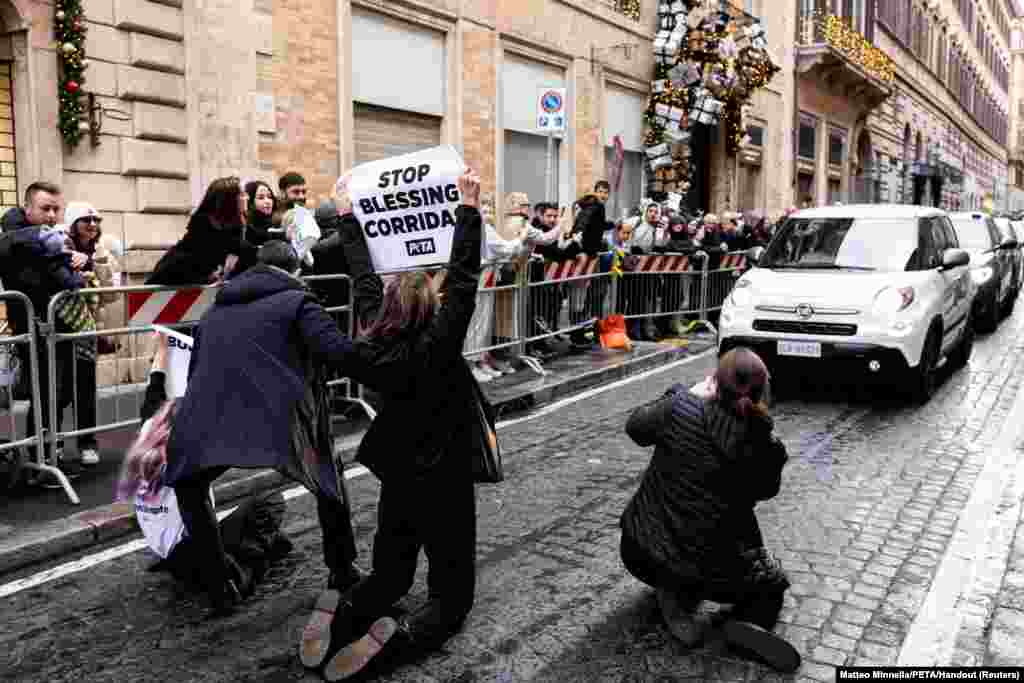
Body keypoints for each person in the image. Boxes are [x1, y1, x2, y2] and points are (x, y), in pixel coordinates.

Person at [308, 168, 484, 682]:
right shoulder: (439, 342)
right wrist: (468, 209)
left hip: (397, 467)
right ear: (432, 308)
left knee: (390, 572)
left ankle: (346, 614)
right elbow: (466, 275)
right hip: (445, 470)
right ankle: (401, 640)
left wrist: (347, 218)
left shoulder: (368, 344)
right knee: (451, 596)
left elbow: (363, 279)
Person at [163, 239, 365, 616]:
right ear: (296, 271)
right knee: (327, 476)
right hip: (279, 416)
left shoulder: (213, 313)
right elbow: (339, 353)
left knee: (189, 485)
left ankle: (220, 582)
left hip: (207, 416)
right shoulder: (300, 302)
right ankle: (342, 570)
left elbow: (194, 375)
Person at [619, 348, 800, 673]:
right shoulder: (763, 444)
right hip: (705, 567)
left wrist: (684, 394)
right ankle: (742, 621)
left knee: (681, 554)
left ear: (714, 382)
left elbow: (635, 427)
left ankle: (673, 595)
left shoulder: (679, 407)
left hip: (638, 550)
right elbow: (765, 492)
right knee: (771, 586)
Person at [117, 334, 292, 595]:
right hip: (195, 553)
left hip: (171, 553)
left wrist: (162, 347)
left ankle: (245, 555)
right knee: (270, 501)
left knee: (263, 533)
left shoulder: (148, 428)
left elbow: (156, 381)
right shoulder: (183, 454)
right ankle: (244, 568)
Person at [59, 202, 119, 466]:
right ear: (73, 223)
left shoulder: (102, 251)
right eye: (86, 220)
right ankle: (56, 443)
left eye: (96, 220)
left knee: (85, 388)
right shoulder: (58, 243)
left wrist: (99, 263)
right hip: (60, 329)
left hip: (88, 330)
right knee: (59, 390)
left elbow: (112, 294)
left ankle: (87, 443)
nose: (93, 225)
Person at [147, 177, 256, 286]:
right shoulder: (207, 231)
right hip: (168, 280)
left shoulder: (232, 228)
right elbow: (242, 249)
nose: (247, 197)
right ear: (229, 201)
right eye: (242, 194)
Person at [244, 180, 282, 247]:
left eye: (269, 197)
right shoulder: (247, 228)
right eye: (261, 198)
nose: (267, 201)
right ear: (251, 202)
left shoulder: (279, 222)